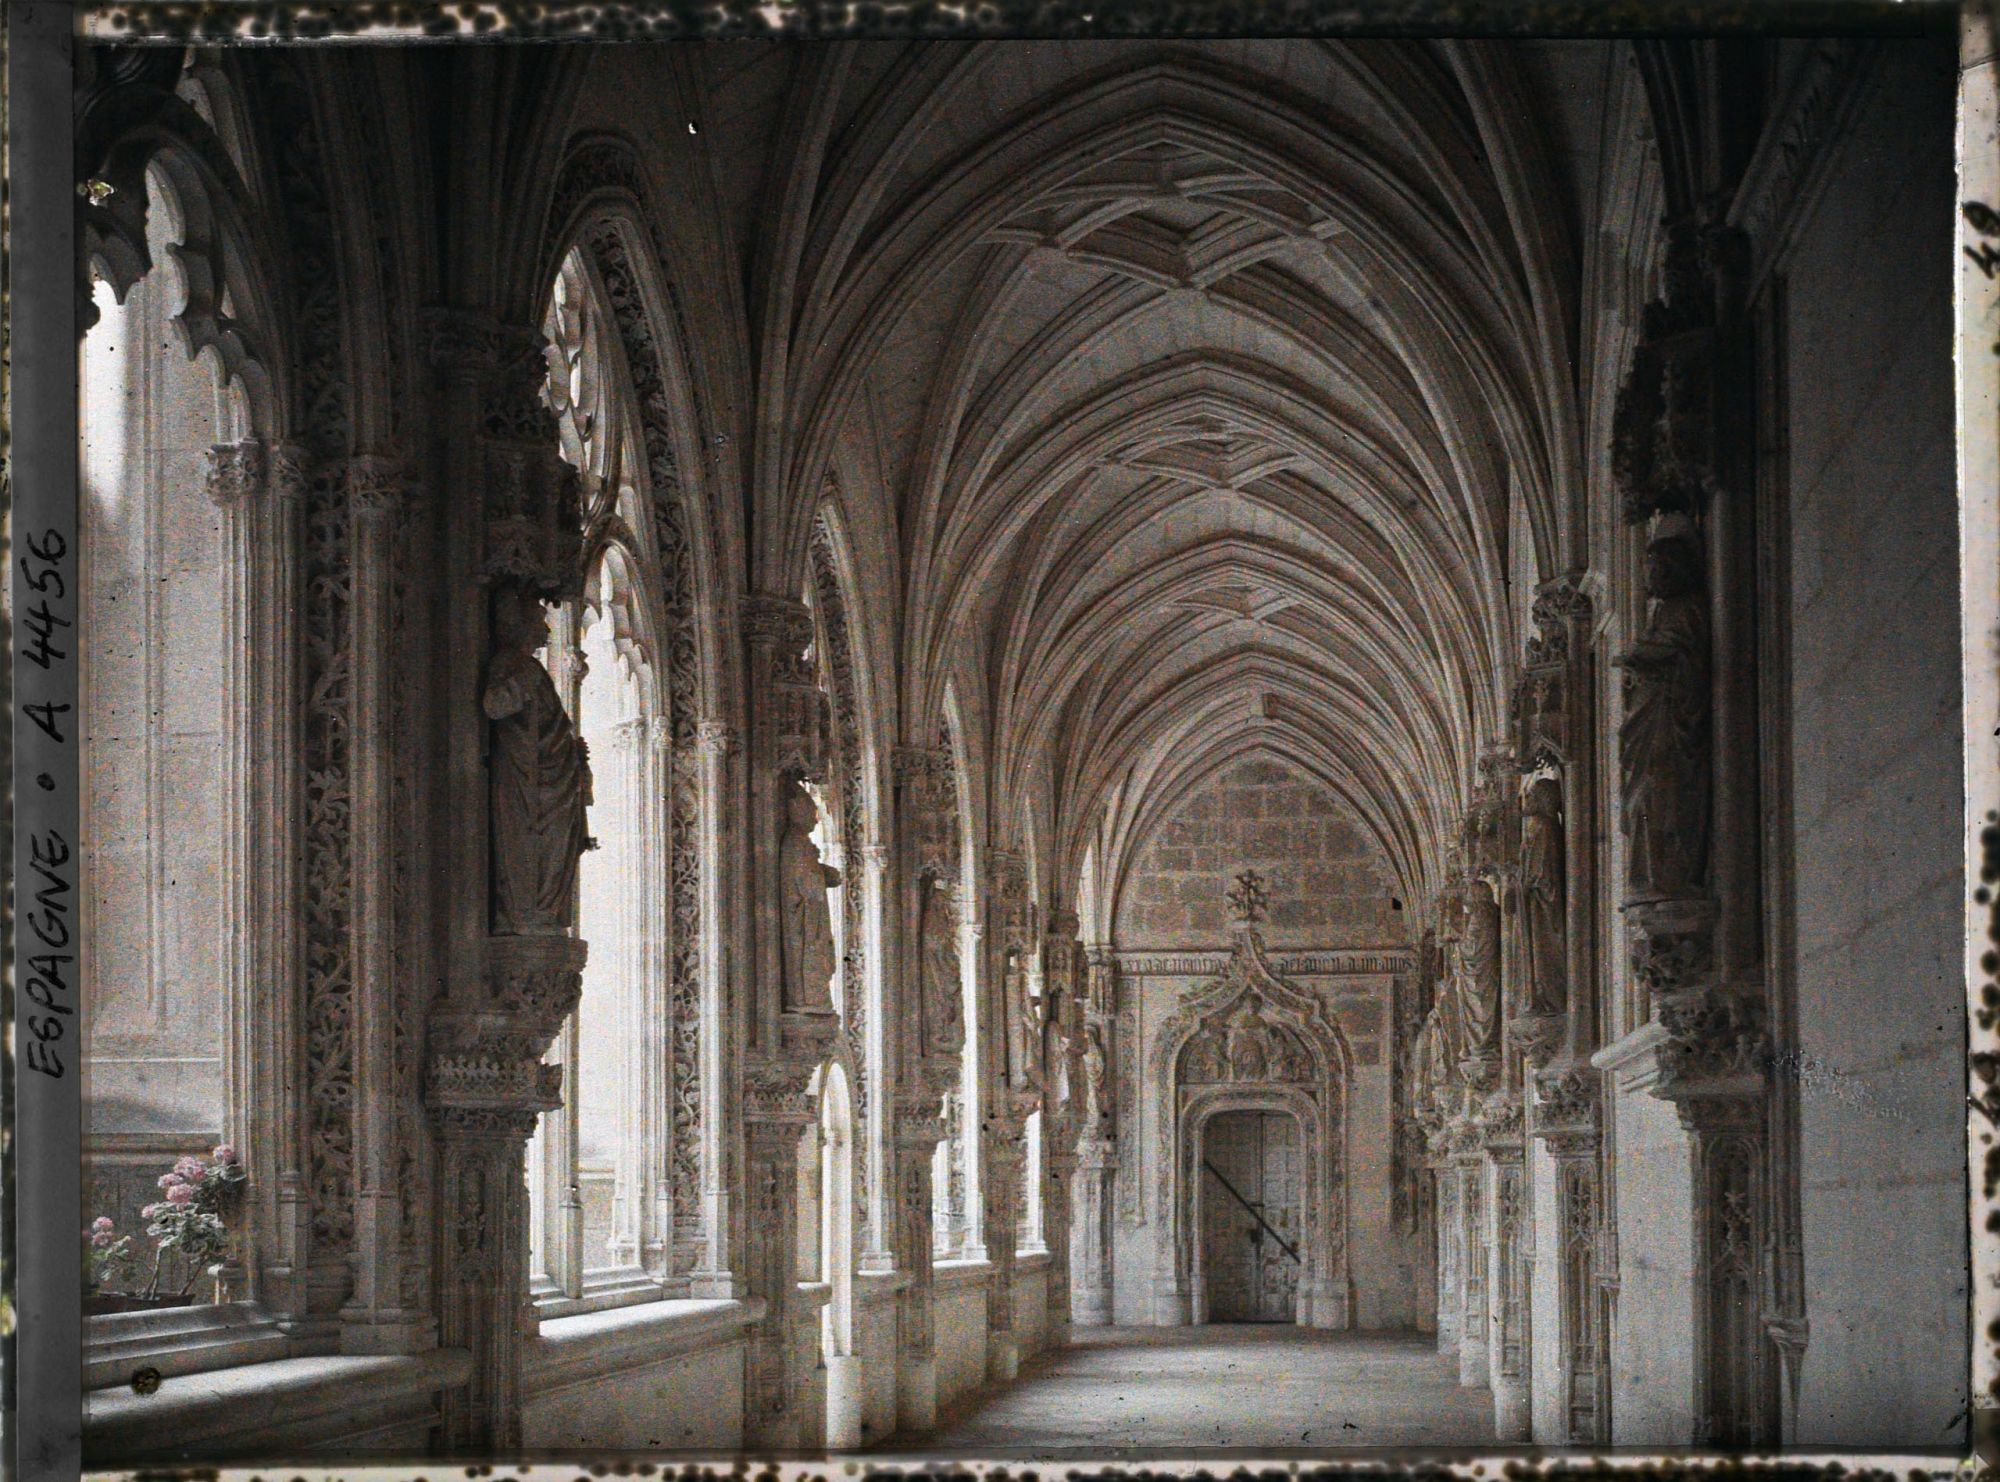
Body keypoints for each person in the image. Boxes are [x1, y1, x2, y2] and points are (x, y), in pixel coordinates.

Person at [484, 586, 593, 935]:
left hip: (551, 782)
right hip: (528, 781)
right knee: (532, 853)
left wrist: (571, 754)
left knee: (552, 854)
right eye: (540, 621)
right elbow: (495, 704)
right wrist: (523, 683)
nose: (546, 631)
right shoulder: (513, 665)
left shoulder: (529, 667)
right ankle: (528, 914)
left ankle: (540, 913)